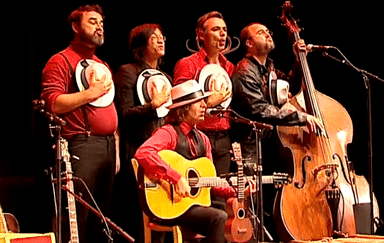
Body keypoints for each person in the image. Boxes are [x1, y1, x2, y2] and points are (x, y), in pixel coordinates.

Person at [134, 80, 255, 243]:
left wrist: (238, 191)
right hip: (169, 206)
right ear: (183, 109)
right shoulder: (169, 133)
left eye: (204, 101)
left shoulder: (203, 139)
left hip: (191, 205)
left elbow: (212, 180)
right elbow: (143, 152)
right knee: (218, 217)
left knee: (231, 213)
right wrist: (175, 178)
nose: (204, 106)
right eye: (198, 102)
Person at [40, 4, 119, 243]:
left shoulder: (102, 64)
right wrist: (90, 92)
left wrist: (114, 140)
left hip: (107, 146)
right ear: (75, 27)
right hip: (81, 144)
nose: (99, 26)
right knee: (77, 216)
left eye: (101, 23)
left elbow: (109, 106)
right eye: (92, 21)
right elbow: (53, 103)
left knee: (101, 218)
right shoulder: (60, 61)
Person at [231, 22, 324, 171]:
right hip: (251, 144)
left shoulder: (269, 67)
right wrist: (302, 117)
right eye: (261, 32)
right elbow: (260, 109)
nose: (267, 34)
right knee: (253, 191)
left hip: (269, 142)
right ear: (249, 43)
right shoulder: (244, 71)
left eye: (268, 31)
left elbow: (291, 85)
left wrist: (299, 59)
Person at [111, 23, 171, 243]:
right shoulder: (127, 72)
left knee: (163, 213)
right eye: (154, 37)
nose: (161, 40)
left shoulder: (165, 76)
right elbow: (123, 114)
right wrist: (152, 107)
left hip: (164, 153)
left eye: (162, 36)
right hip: (137, 151)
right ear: (140, 45)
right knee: (139, 217)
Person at [173, 11, 234, 176]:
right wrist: (209, 102)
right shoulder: (188, 64)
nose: (222, 34)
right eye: (216, 29)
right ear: (200, 34)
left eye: (225, 30)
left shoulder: (229, 67)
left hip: (223, 138)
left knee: (221, 190)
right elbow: (178, 107)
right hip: (196, 136)